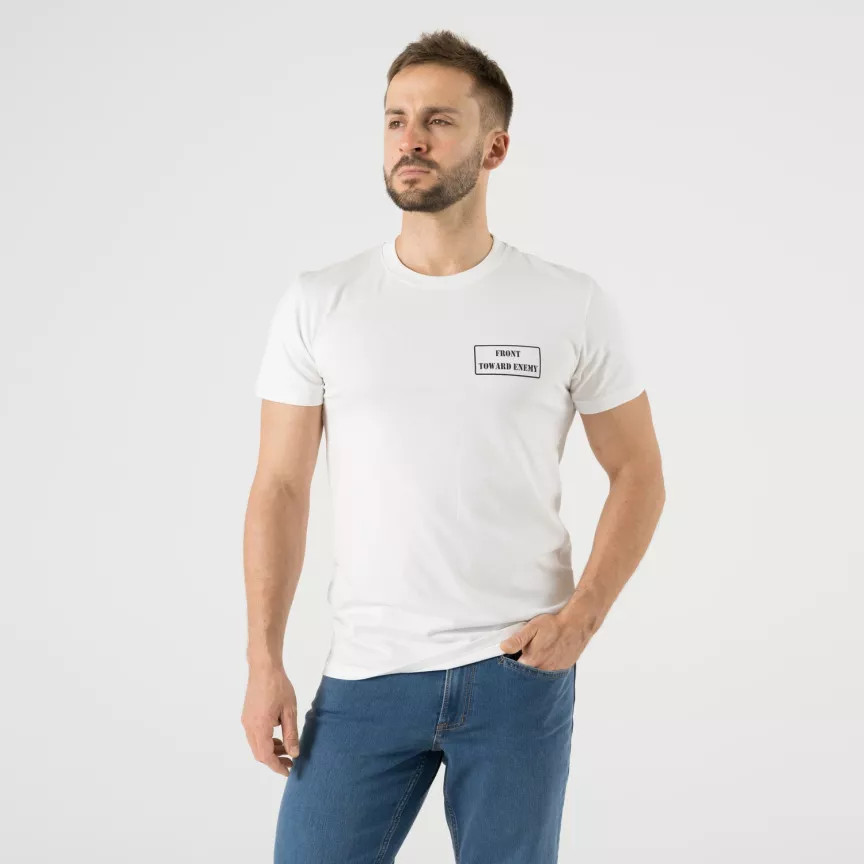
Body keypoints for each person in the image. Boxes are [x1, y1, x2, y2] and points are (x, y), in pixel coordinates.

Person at [242, 28, 665, 864]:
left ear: (494, 147)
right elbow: (279, 488)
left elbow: (639, 471)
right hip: (367, 672)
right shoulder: (320, 302)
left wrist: (582, 618)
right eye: (396, 119)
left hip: (516, 672)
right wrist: (264, 662)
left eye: (438, 120)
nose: (412, 139)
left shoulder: (568, 303)